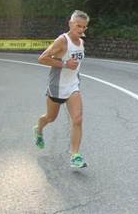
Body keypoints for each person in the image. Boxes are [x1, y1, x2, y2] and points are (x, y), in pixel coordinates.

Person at [33, 10, 89, 168]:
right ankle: (38, 129)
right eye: (78, 26)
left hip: (72, 86)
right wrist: (64, 64)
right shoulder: (62, 40)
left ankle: (75, 156)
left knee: (78, 119)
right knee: (51, 118)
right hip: (57, 87)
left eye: (84, 27)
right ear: (70, 24)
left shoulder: (81, 43)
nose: (81, 29)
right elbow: (42, 58)